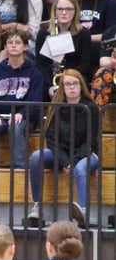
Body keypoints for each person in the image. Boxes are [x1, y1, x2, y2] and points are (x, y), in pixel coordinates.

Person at [26, 70, 99, 227]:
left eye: (75, 83)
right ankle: (37, 206)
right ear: (62, 88)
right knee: (36, 157)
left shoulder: (91, 108)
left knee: (80, 169)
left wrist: (72, 161)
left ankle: (84, 212)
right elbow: (52, 139)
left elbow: (90, 141)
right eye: (67, 84)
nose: (71, 87)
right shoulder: (56, 107)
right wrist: (65, 161)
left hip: (87, 153)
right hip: (62, 155)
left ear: (81, 86)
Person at [0, 29, 44, 169]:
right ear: (5, 47)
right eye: (10, 43)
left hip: (24, 116)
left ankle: (20, 167)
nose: (13, 45)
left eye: (17, 42)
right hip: (1, 115)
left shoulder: (34, 72)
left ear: (25, 47)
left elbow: (35, 101)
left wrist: (21, 113)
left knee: (15, 127)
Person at [35, 0, 92, 98]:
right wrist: (50, 86)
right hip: (50, 78)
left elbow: (84, 65)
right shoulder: (44, 33)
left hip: (75, 77)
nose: (64, 13)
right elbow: (41, 64)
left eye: (69, 9)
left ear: (75, 12)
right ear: (54, 11)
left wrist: (67, 80)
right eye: (60, 9)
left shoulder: (83, 33)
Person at [74, 0, 116, 67]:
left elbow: (111, 35)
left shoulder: (109, 1)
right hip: (76, 43)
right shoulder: (74, 1)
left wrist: (86, 38)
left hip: (101, 46)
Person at [91, 25, 116, 106]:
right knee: (102, 73)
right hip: (114, 73)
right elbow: (103, 61)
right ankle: (97, 114)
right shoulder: (111, 31)